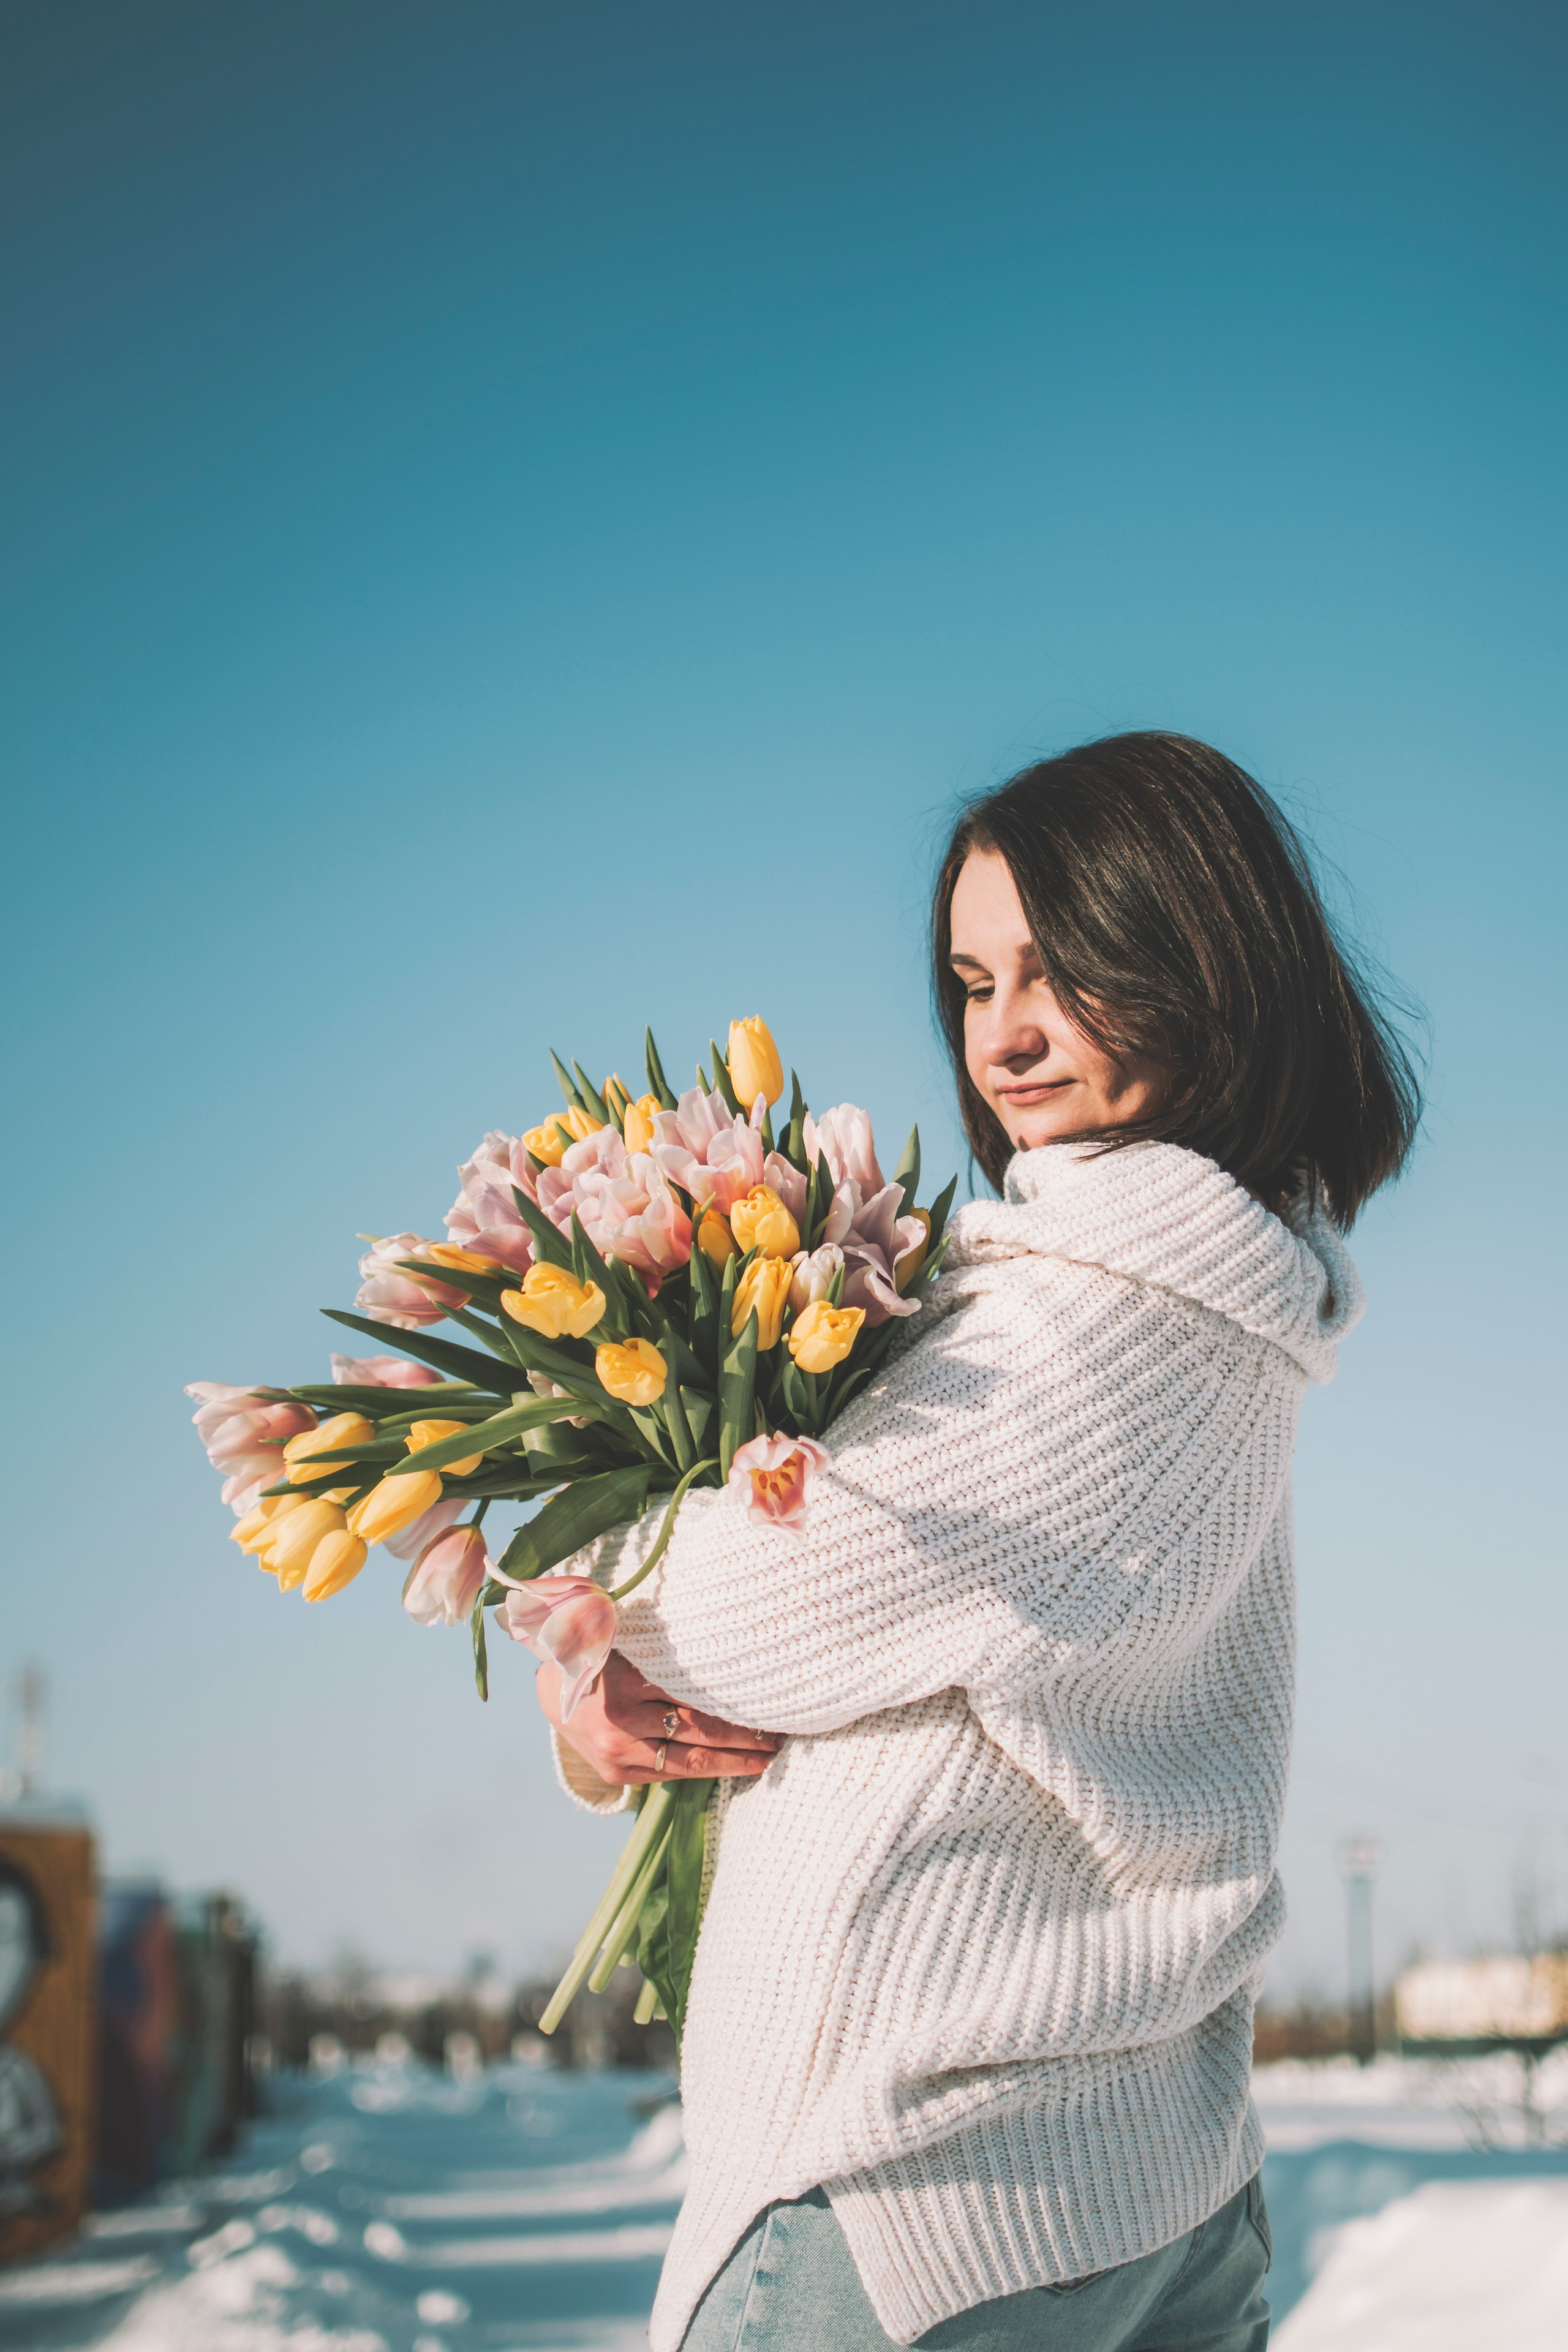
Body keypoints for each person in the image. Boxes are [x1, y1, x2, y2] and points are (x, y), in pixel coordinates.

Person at [535, 732, 1420, 2352]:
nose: (1005, 1033)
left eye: (1063, 975)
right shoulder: (1225, 1305)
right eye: (971, 979)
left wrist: (603, 1624)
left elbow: (759, 1605)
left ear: (1199, 964)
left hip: (924, 2187)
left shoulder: (1090, 1316)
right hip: (1131, 2179)